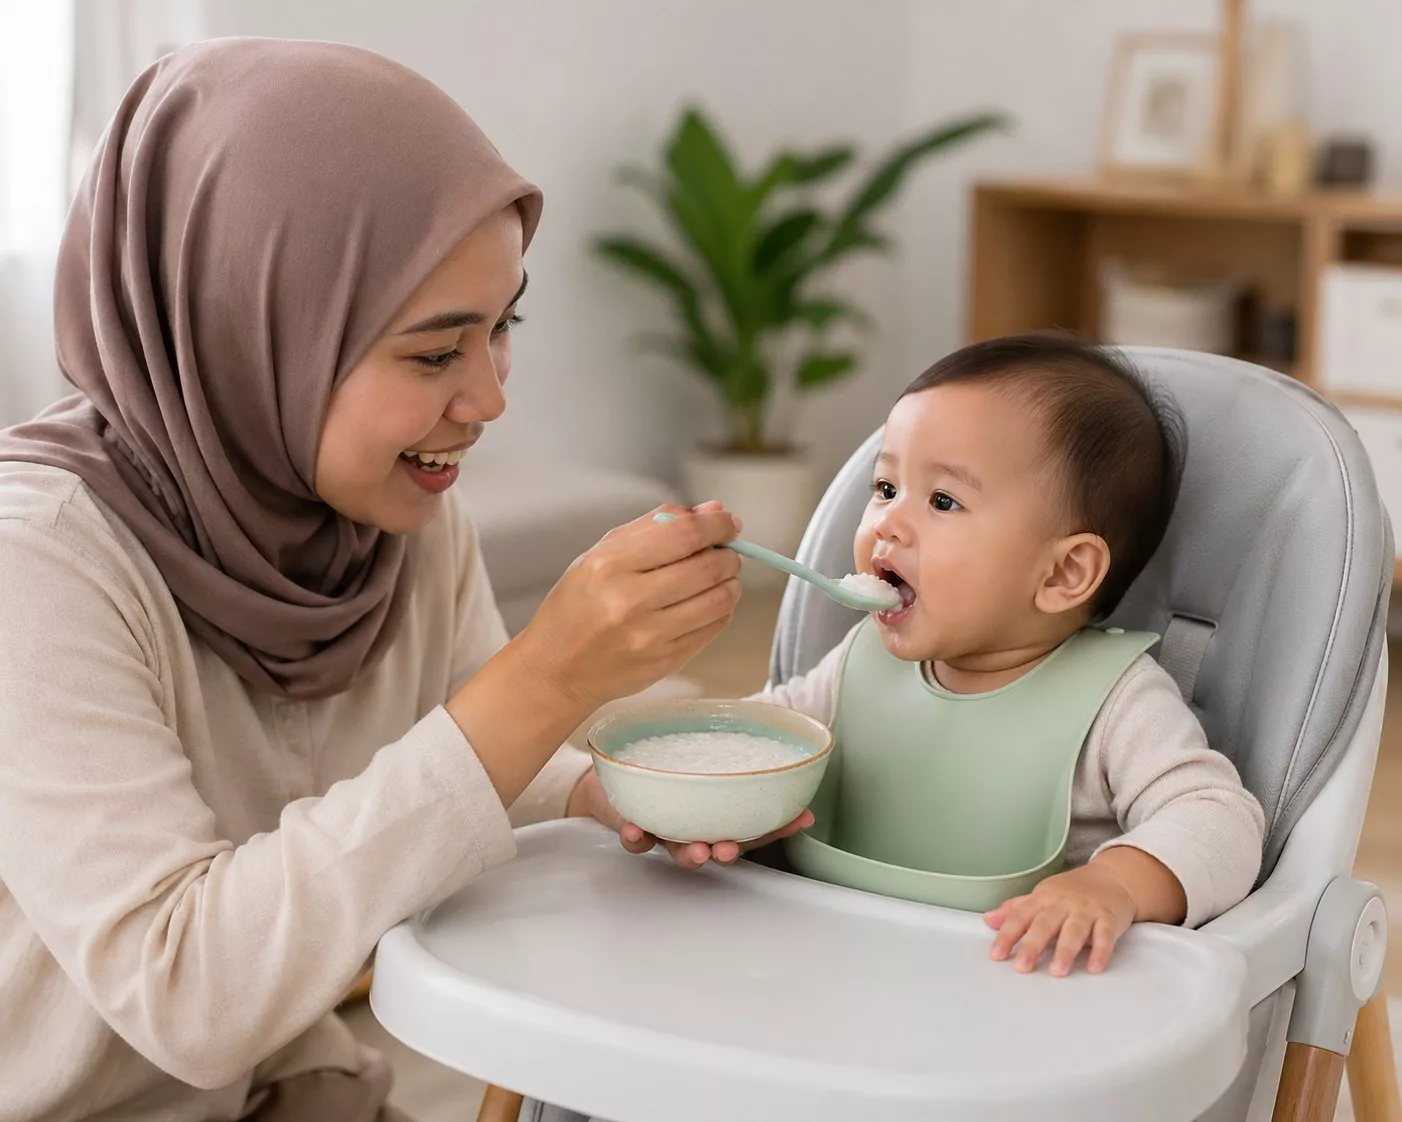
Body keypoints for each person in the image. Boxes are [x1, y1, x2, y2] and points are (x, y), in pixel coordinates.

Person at [0, 38, 801, 1122]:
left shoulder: (398, 520)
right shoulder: (36, 559)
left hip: (292, 1086)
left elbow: (446, 756)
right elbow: (184, 992)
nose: (489, 398)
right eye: (433, 356)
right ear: (251, 331)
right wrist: (544, 678)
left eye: (502, 327)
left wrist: (591, 792)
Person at [744, 333, 1266, 976]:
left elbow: (1221, 820)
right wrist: (655, 781)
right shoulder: (858, 666)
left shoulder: (1117, 702)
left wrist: (1114, 888)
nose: (888, 523)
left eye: (943, 501)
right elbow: (759, 740)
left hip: (1013, 1010)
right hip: (837, 976)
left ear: (1064, 574)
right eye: (884, 488)